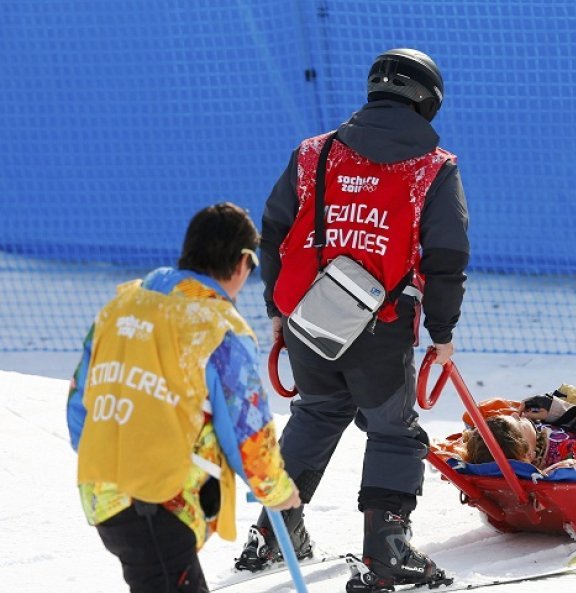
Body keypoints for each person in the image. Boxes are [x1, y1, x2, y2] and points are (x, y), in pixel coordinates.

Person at [237, 48, 470, 592]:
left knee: (317, 413)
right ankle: (387, 551)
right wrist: (443, 331)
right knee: (394, 431)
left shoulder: (313, 153)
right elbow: (446, 256)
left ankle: (274, 531)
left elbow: (274, 231)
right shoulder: (434, 168)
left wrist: (276, 309)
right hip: (379, 324)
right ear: (428, 100)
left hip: (306, 317)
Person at [66, 202, 301, 593]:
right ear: (242, 262)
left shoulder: (119, 309)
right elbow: (247, 431)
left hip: (102, 494)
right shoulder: (217, 327)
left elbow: (80, 408)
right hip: (159, 502)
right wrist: (276, 490)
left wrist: (115, 460)